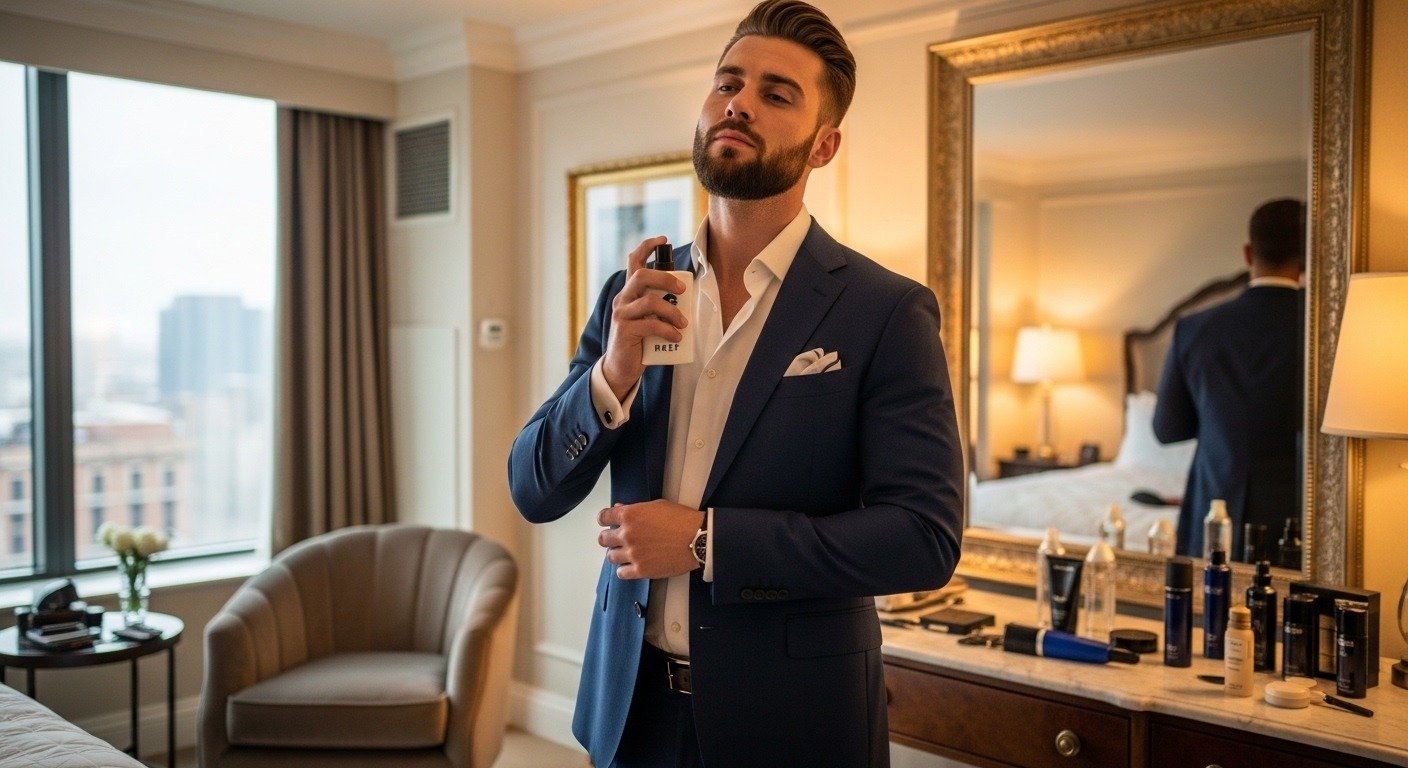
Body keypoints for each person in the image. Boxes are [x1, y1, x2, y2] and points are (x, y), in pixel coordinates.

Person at [508, 2, 964, 766]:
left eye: (776, 93)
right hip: (629, 712)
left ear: (825, 146)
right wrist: (613, 370)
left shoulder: (885, 311)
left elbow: (924, 537)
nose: (739, 103)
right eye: (728, 83)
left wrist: (705, 541)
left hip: (795, 724)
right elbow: (533, 488)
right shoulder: (635, 293)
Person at [1153, 198, 1306, 560]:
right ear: (1307, 254)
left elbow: (1167, 429)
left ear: (1249, 254)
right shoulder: (1330, 328)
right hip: (1299, 515)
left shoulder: (1194, 329)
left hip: (1214, 506)